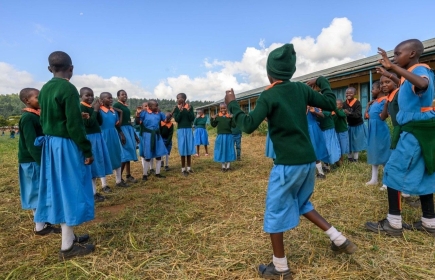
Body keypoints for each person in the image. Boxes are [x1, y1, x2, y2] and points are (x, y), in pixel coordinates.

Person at [225, 44, 357, 280]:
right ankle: (339, 239)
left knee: (274, 212)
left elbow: (247, 125)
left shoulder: (269, 95)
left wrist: (233, 103)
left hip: (287, 165)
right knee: (302, 203)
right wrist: (323, 81)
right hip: (308, 162)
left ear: (269, 73)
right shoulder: (301, 90)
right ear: (291, 71)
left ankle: (280, 268)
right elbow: (328, 101)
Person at [366, 39, 435, 237]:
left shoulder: (420, 71)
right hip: (424, 129)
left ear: (412, 54)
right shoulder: (415, 74)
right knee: (425, 172)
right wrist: (390, 74)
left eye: (397, 54)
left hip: (414, 131)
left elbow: (421, 83)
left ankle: (393, 222)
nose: (394, 58)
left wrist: (393, 66)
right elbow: (410, 86)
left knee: (394, 171)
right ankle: (430, 222)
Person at [34, 51, 94, 259]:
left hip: (51, 144)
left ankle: (69, 236)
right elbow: (74, 124)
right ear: (71, 68)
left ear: (50, 69)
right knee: (70, 188)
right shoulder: (68, 88)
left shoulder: (44, 89)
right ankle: (67, 247)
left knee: (60, 188)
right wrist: (86, 149)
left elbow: (45, 120)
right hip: (66, 143)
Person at [18, 88, 61, 235]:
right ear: (27, 101)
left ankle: (43, 220)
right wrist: (42, 163)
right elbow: (32, 144)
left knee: (40, 189)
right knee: (36, 190)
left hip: (39, 158)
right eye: (37, 97)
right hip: (33, 160)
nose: (41, 100)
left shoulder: (37, 115)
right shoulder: (28, 118)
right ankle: (39, 226)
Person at [80, 87, 113, 201]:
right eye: (87, 95)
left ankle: (94, 192)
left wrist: (96, 110)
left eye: (91, 95)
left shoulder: (92, 108)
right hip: (90, 138)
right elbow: (88, 123)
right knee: (90, 166)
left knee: (96, 166)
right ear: (81, 96)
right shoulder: (81, 107)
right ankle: (92, 193)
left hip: (97, 137)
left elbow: (99, 122)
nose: (90, 97)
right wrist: (95, 110)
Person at [364, 81, 391, 187]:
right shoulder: (374, 102)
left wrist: (386, 105)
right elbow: (366, 116)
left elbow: (383, 117)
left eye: (373, 88)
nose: (371, 90)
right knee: (374, 153)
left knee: (383, 153)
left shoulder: (385, 101)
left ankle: (386, 182)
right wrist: (367, 105)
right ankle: (374, 179)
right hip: (372, 131)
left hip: (380, 131)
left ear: (379, 89)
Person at [99, 92, 128, 188]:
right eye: (108, 98)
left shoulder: (113, 111)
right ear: (102, 100)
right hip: (104, 135)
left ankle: (118, 181)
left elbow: (118, 125)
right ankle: (104, 185)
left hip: (114, 135)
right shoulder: (99, 111)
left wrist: (121, 112)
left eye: (111, 98)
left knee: (117, 155)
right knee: (104, 157)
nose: (111, 100)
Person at [113, 90, 140, 183]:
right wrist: (121, 133)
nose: (124, 96)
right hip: (122, 130)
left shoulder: (125, 106)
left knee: (129, 153)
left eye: (125, 94)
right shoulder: (116, 106)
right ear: (118, 97)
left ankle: (128, 175)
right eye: (122, 94)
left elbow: (129, 121)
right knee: (124, 154)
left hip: (129, 129)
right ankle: (119, 178)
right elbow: (116, 122)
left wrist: (135, 134)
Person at [139, 100, 167, 180]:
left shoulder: (159, 113)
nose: (157, 107)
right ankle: (145, 174)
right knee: (148, 155)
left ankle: (157, 173)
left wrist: (165, 113)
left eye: (157, 105)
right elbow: (138, 122)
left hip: (157, 135)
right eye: (155, 106)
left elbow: (165, 120)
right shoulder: (144, 113)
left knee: (159, 154)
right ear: (150, 107)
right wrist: (138, 114)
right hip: (148, 136)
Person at [172, 93, 195, 176]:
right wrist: (180, 111)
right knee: (182, 149)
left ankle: (189, 168)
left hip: (188, 129)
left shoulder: (189, 107)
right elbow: (177, 119)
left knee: (188, 148)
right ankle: (183, 169)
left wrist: (188, 111)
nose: (179, 99)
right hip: (181, 130)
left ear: (185, 98)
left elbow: (192, 118)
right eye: (177, 98)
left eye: (180, 98)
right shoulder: (176, 108)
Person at [343, 87, 367, 162]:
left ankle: (355, 158)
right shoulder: (344, 103)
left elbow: (358, 114)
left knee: (356, 142)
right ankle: (349, 157)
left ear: (355, 94)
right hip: (350, 125)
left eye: (351, 93)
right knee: (349, 141)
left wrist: (349, 113)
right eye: (347, 93)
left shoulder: (357, 103)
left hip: (358, 125)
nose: (348, 94)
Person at [211, 103, 236, 171]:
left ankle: (228, 166)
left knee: (229, 149)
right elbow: (213, 125)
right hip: (220, 136)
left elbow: (234, 125)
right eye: (221, 108)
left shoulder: (229, 117)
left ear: (226, 108)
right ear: (220, 109)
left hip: (228, 136)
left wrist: (232, 118)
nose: (223, 109)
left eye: (224, 108)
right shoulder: (218, 117)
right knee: (221, 150)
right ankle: (223, 166)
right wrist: (212, 119)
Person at [307, 107, 329, 179]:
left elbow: (322, 115)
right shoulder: (297, 105)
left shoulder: (311, 106)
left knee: (315, 150)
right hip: (302, 129)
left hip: (312, 129)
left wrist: (314, 112)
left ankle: (321, 172)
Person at [332, 99, 349, 165]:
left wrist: (335, 110)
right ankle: (338, 160)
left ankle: (341, 160)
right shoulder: (333, 113)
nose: (335, 106)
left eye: (337, 104)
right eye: (335, 105)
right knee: (337, 146)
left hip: (343, 131)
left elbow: (340, 115)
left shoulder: (343, 112)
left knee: (342, 146)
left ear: (341, 105)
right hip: (336, 131)